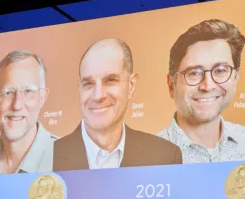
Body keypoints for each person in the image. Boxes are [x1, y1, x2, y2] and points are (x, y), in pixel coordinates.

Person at [52, 38, 183, 171]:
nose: (98, 96)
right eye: (88, 84)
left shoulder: (164, 157)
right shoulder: (45, 159)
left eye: (110, 80)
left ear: (131, 85)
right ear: (80, 89)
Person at [158, 19, 245, 163]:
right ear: (171, 85)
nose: (208, 86)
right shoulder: (147, 158)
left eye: (220, 70)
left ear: (235, 78)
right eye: (194, 73)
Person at [0, 50, 56, 175]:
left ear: (42, 98)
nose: (16, 105)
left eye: (27, 91)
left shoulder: (68, 159)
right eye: (8, 92)